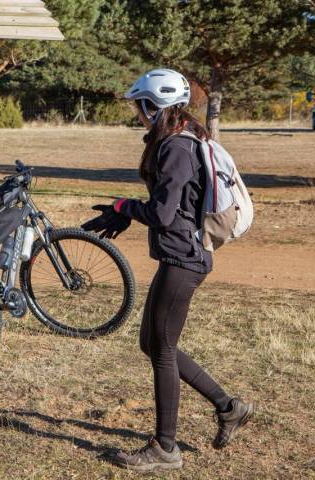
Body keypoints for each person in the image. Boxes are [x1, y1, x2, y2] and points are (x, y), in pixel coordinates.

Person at [81, 68, 254, 473]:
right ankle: (229, 407)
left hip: (184, 259)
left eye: (140, 107)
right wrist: (125, 213)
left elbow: (161, 212)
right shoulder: (185, 139)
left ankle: (165, 447)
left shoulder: (176, 147)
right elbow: (170, 207)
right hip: (181, 255)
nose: (138, 115)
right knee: (155, 343)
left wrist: (125, 208)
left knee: (160, 349)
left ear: (152, 105)